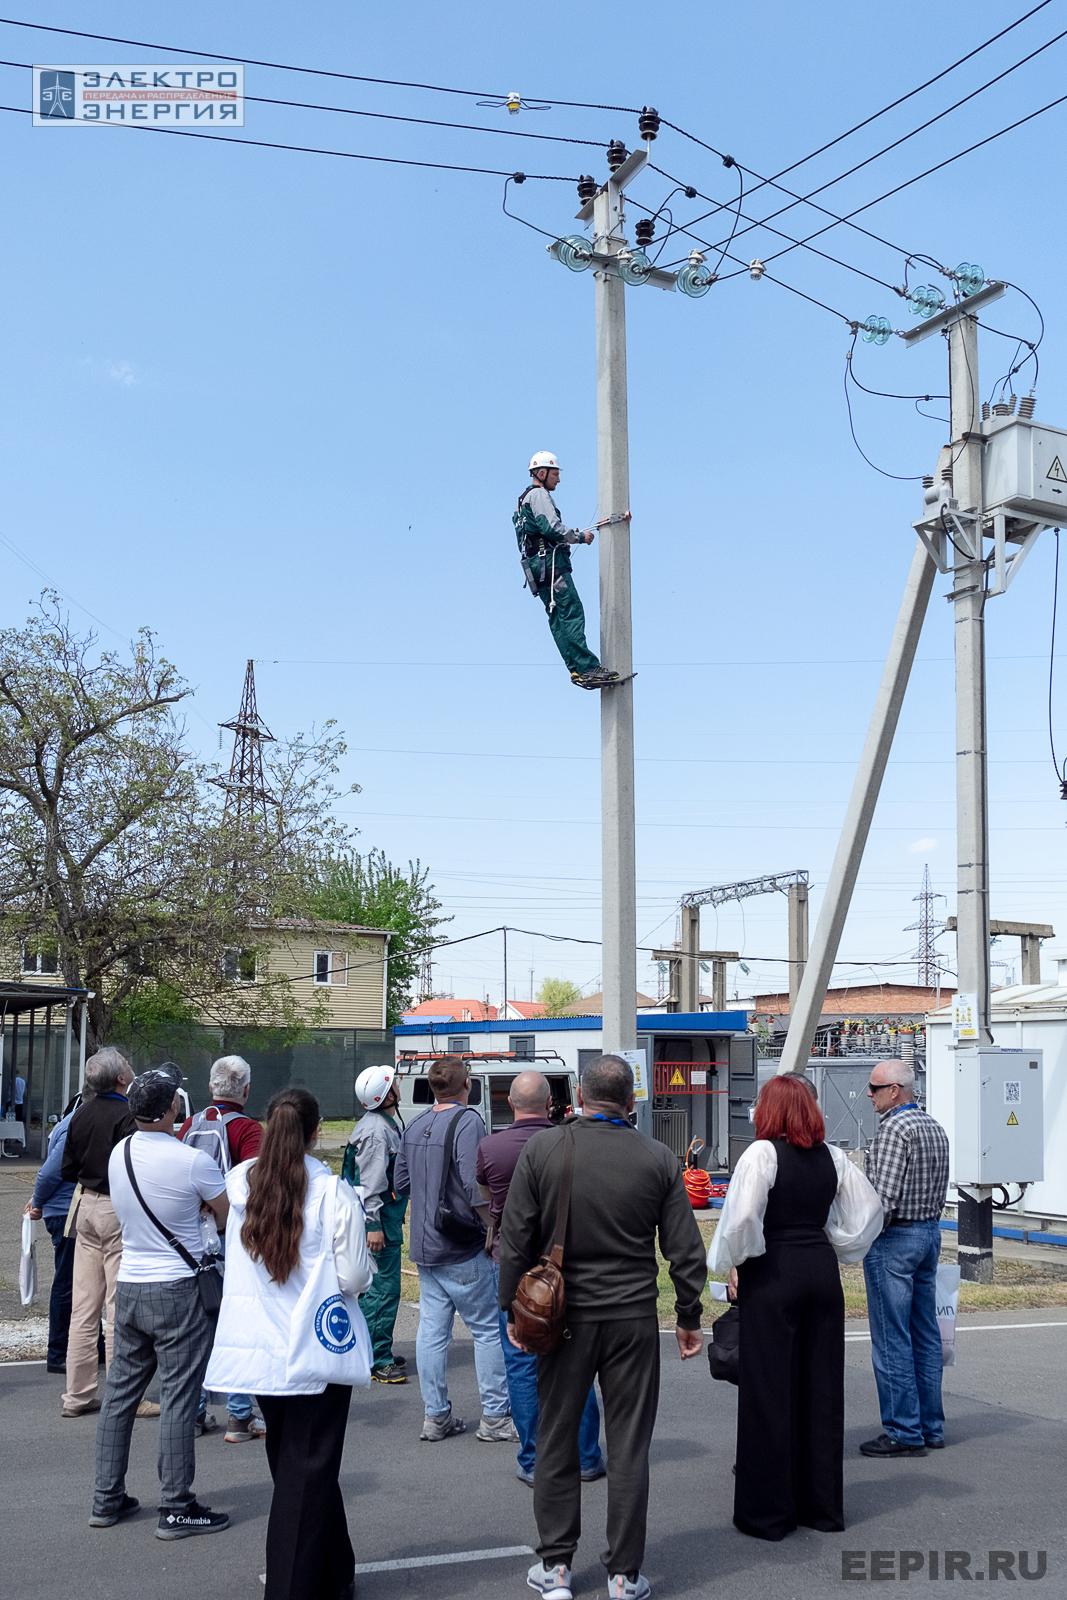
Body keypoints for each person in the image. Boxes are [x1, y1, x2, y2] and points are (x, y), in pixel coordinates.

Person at [499, 1054, 706, 1600]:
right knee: (629, 1444)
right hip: (632, 1316)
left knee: (556, 1437)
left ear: (578, 1098)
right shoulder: (657, 1157)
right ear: (631, 1101)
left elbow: (516, 1238)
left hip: (562, 1316)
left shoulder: (545, 1149)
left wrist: (511, 1310)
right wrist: (688, 1316)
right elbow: (685, 1249)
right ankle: (624, 1574)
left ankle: (556, 1567)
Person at [205, 1087, 374, 1600]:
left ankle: (336, 1571)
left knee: (298, 1467)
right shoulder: (333, 1193)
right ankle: (290, 1588)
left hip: (260, 1349)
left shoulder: (241, 1184)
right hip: (316, 1349)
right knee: (305, 1473)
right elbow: (354, 1277)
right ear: (317, 1132)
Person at [708, 1073, 883, 1542]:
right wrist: (834, 1243)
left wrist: (737, 1261)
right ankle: (820, 1505)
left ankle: (768, 1512)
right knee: (820, 1386)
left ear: (770, 1110)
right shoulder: (834, 1157)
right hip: (820, 1271)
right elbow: (869, 1213)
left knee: (769, 1388)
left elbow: (742, 1220)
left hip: (774, 1272)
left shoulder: (761, 1154)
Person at [91, 1065, 232, 1539]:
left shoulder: (120, 1153)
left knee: (120, 1395)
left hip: (131, 1282)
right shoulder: (192, 1161)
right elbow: (224, 1215)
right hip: (177, 1286)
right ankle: (176, 1505)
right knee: (178, 1395)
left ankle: (106, 1497)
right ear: (173, 1108)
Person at [476, 1070, 604, 1487]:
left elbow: (486, 1199)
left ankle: (533, 1458)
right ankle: (586, 1456)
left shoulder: (490, 1147)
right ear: (551, 1103)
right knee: (574, 1361)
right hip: (563, 1264)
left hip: (512, 1265)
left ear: (509, 1103)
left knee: (520, 1363)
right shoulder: (570, 1143)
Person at [393, 1055, 515, 1443]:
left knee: (432, 1332)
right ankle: (495, 1416)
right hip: (461, 1244)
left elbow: (400, 1182)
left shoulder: (416, 1124)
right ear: (467, 1085)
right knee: (487, 1330)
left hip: (425, 1244)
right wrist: (493, 1226)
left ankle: (436, 1416)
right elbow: (472, 1182)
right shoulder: (468, 1121)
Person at [861, 1060, 950, 1458]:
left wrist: (857, 1235)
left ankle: (903, 1430)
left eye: (875, 1087)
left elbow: (884, 1200)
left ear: (895, 1090)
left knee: (891, 1336)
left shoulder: (894, 1129)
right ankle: (931, 1426)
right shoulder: (933, 1126)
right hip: (929, 1232)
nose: (869, 1094)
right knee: (925, 1334)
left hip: (895, 1239)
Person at [180, 1053, 266, 1443]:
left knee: (199, 1328)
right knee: (237, 1325)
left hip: (194, 1239)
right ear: (246, 1090)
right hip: (232, 1238)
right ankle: (240, 1414)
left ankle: (196, 1412)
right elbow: (255, 1186)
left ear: (210, 1086)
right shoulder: (248, 1130)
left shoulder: (190, 1125)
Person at [60, 1047, 136, 1417]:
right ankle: (122, 1396)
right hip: (114, 1206)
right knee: (117, 1306)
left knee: (84, 1307)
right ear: (121, 1078)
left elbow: (66, 1168)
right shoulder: (127, 1115)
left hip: (85, 1204)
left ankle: (76, 1395)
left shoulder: (81, 1112)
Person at [513, 451, 619, 691]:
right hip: (551, 566)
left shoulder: (521, 502)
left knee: (557, 619)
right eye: (555, 474)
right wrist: (580, 537)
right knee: (571, 612)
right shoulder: (539, 495)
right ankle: (588, 668)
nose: (558, 479)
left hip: (536, 569)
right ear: (542, 473)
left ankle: (576, 668)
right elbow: (552, 528)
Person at [347, 1064, 409, 1384]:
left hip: (384, 1219)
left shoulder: (380, 1124)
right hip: (380, 1221)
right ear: (387, 1095)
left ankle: (375, 1348)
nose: (398, 1086)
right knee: (383, 1290)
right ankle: (377, 1359)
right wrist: (374, 1225)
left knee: (379, 1290)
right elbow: (371, 1184)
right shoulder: (376, 1132)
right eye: (394, 1084)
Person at [26, 1087, 93, 1373]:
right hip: (66, 1211)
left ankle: (94, 1344)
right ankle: (58, 1352)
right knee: (68, 1282)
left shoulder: (72, 1122)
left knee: (82, 1282)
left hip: (67, 1208)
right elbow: (49, 1173)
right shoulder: (74, 1126)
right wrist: (38, 1201)